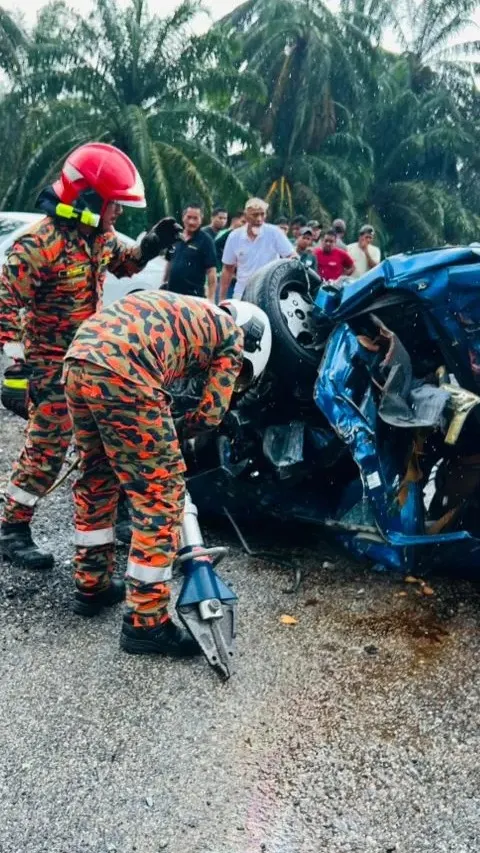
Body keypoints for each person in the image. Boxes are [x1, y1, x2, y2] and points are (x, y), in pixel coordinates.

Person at [0, 142, 180, 571]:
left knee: (103, 447)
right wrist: (14, 370)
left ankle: (112, 522)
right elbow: (4, 307)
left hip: (89, 363)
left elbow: (127, 263)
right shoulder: (36, 245)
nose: (117, 212)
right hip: (48, 366)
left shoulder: (97, 237)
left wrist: (152, 244)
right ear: (85, 200)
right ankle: (12, 528)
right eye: (112, 204)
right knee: (47, 451)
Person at [62, 291, 272, 657]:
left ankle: (91, 584)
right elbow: (210, 415)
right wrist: (173, 429)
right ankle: (147, 623)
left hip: (80, 357)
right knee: (160, 495)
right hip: (125, 372)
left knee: (98, 477)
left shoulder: (192, 311)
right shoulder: (234, 337)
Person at [219, 198, 295, 300]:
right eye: (255, 215)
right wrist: (222, 298)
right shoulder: (234, 236)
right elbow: (228, 269)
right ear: (246, 216)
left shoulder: (275, 233)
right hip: (242, 293)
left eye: (262, 214)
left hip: (269, 294)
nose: (259, 219)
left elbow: (292, 256)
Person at [163, 203, 217, 301]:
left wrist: (211, 298)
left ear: (201, 219)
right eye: (188, 217)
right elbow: (169, 262)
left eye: (195, 218)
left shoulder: (206, 241)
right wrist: (163, 283)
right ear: (183, 217)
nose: (191, 222)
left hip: (193, 298)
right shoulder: (175, 237)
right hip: (171, 295)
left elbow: (211, 271)